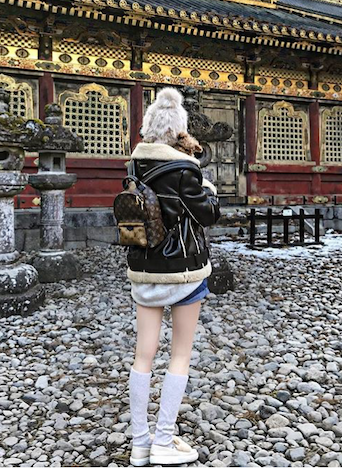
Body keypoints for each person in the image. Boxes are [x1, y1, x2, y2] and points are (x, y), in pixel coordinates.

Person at [125, 87, 221, 466]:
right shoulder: (185, 169)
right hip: (183, 270)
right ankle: (164, 441)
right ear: (179, 132)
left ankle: (139, 443)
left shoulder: (134, 165)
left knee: (142, 357)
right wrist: (207, 184)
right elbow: (207, 213)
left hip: (144, 268)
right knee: (179, 355)